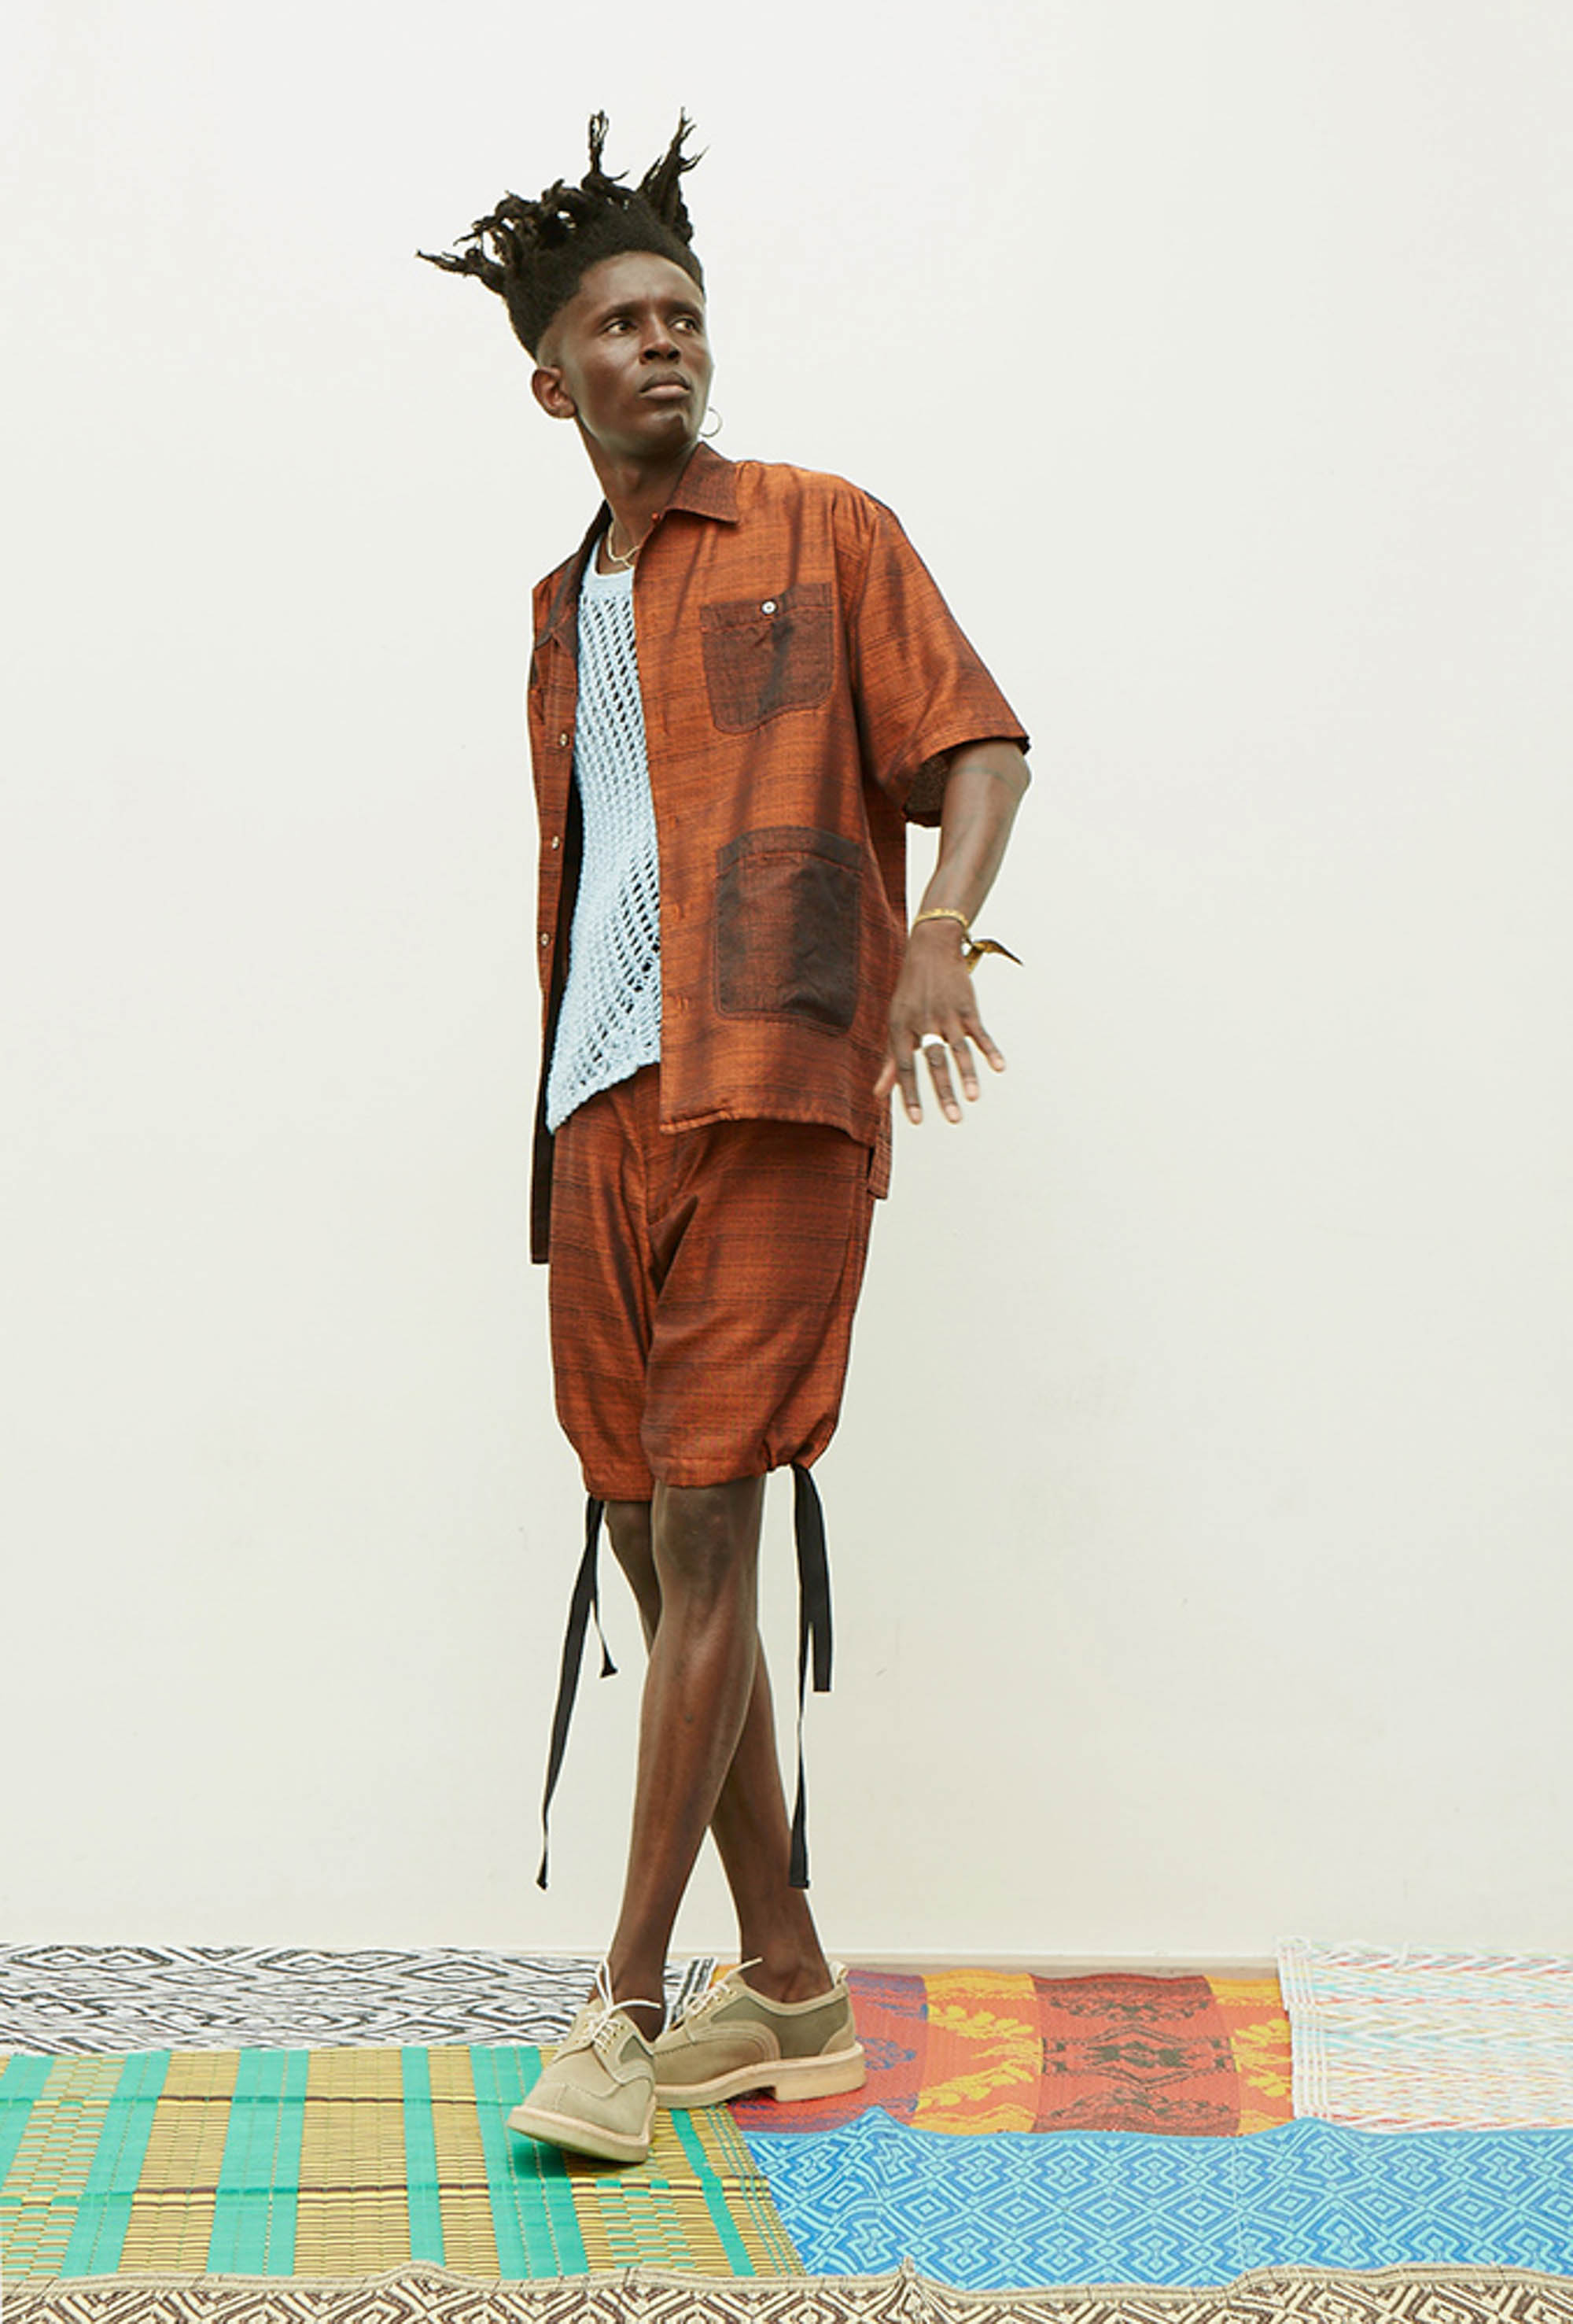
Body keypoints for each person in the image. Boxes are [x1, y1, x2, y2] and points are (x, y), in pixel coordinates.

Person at [421, 114, 1030, 2166]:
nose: (662, 341)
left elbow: (978, 741)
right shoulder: (559, 606)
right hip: (601, 1103)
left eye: (682, 312)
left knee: (706, 1534)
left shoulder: (822, 531)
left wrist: (936, 934)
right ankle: (788, 1984)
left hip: (769, 1087)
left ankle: (619, 2009)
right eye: (619, 323)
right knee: (638, 1518)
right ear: (553, 381)